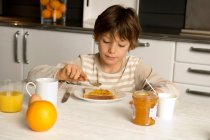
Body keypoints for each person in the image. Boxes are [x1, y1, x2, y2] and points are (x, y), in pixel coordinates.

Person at [27, 5, 179, 95]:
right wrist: (60, 74)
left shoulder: (135, 68)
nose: (112, 50)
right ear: (97, 37)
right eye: (106, 41)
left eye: (121, 45)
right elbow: (32, 75)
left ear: (131, 45)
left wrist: (153, 94)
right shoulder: (83, 63)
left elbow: (172, 88)